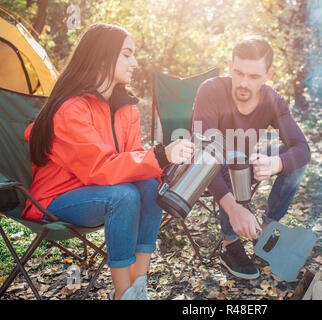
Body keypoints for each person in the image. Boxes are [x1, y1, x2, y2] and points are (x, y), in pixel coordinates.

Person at [23, 23, 194, 299]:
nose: (135, 63)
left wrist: (170, 169)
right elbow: (100, 169)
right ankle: (123, 294)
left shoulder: (127, 108)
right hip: (56, 198)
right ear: (103, 56)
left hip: (101, 191)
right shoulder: (71, 110)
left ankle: (139, 287)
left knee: (150, 188)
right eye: (127, 54)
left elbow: (134, 164)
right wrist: (160, 154)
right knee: (123, 196)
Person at [191, 36, 311, 279]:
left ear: (268, 73)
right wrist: (234, 209)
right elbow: (203, 156)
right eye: (239, 73)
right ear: (229, 66)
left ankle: (267, 228)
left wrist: (276, 163)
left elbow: (302, 148)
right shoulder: (211, 90)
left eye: (254, 76)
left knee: (294, 160)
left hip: (244, 166)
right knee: (234, 157)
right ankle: (229, 244)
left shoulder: (273, 100)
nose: (244, 83)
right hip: (204, 173)